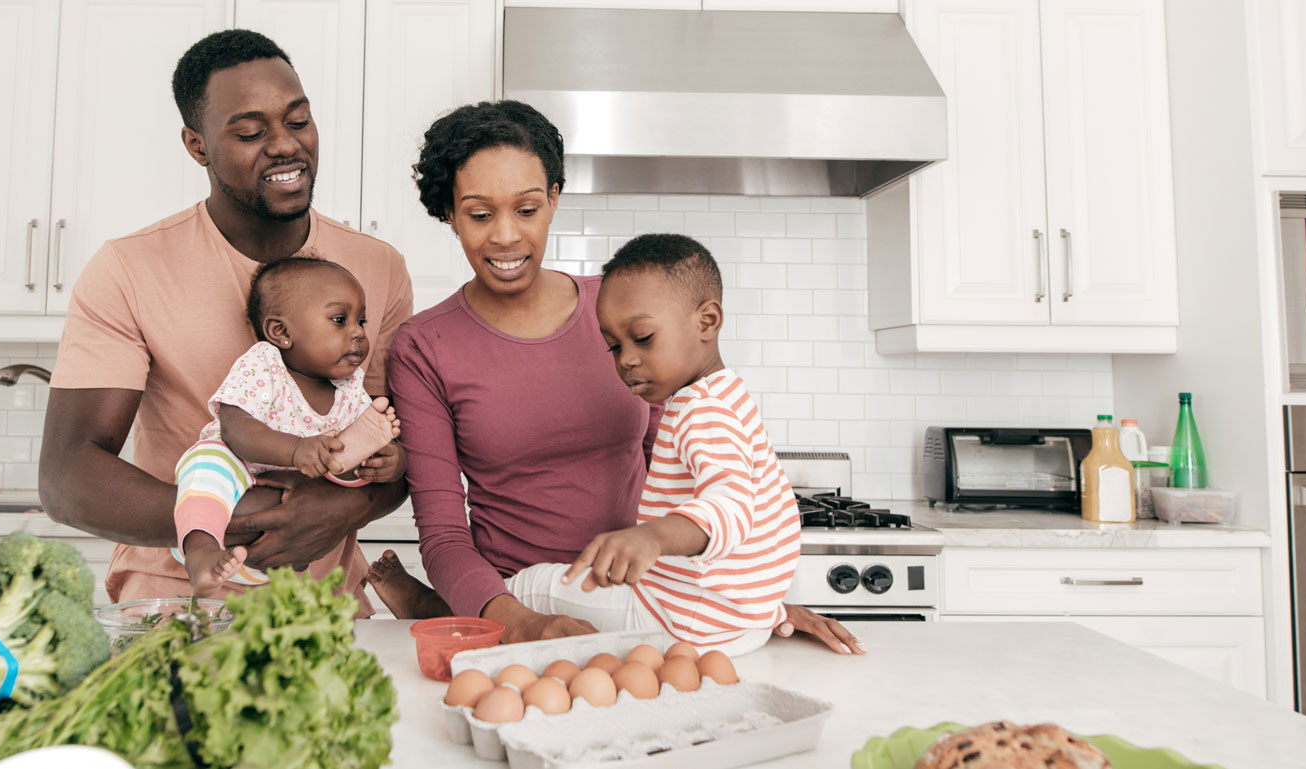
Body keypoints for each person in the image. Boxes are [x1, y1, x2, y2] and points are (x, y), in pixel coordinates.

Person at [370, 100, 863, 654]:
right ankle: (445, 611)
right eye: (480, 215)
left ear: (554, 200)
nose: (506, 236)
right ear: (450, 214)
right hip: (522, 605)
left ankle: (430, 610)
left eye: (527, 209)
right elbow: (443, 534)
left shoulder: (619, 312)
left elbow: (689, 476)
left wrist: (741, 605)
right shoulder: (424, 347)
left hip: (646, 598)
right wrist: (521, 623)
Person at [40, 29, 411, 610]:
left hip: (328, 600)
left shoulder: (377, 266)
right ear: (198, 145)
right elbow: (68, 475)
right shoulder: (128, 269)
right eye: (250, 132)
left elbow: (396, 443)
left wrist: (342, 508)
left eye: (299, 120)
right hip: (176, 596)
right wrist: (222, 521)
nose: (286, 145)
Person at [375, 234, 800, 655]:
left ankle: (438, 610)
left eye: (643, 339)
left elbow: (731, 506)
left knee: (534, 585)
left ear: (707, 322)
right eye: (613, 347)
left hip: (677, 619)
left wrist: (651, 538)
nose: (625, 360)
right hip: (736, 621)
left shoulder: (701, 411)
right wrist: (755, 603)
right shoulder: (730, 397)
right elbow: (772, 510)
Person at [172, 256, 405, 595]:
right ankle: (201, 550)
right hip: (240, 468)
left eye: (362, 321)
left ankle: (362, 450)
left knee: (348, 463)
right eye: (340, 320)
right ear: (281, 332)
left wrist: (391, 462)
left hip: (277, 550)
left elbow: (343, 470)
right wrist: (296, 450)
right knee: (207, 464)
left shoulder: (350, 386)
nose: (358, 332)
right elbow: (235, 429)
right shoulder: (264, 364)